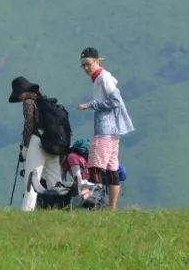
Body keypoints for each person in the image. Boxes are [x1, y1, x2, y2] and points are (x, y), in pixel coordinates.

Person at [77, 47, 134, 210]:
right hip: (112, 131)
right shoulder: (99, 79)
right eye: (83, 66)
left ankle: (96, 203)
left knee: (95, 168)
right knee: (111, 170)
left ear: (97, 61)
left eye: (88, 64)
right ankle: (111, 208)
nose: (86, 68)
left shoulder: (103, 78)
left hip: (105, 130)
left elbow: (115, 100)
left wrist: (91, 105)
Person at [8, 76, 68, 211]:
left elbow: (29, 125)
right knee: (55, 179)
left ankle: (27, 210)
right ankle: (60, 209)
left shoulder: (28, 102)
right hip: (53, 143)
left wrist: (25, 147)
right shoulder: (43, 99)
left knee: (31, 178)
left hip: (38, 141)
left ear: (21, 92)